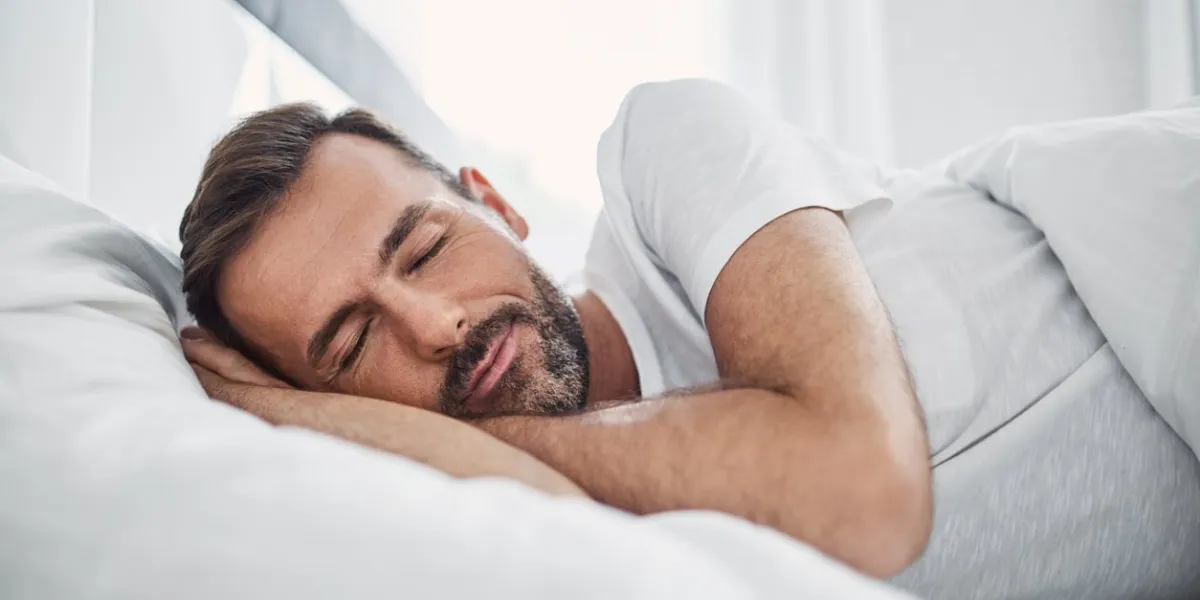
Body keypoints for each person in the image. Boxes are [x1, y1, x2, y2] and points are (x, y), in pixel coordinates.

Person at [177, 80, 1200, 597]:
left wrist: (401, 429)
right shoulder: (564, 545)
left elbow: (859, 494)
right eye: (352, 347)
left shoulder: (661, 152)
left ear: (494, 202)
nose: (435, 326)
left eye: (427, 248)